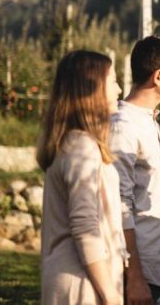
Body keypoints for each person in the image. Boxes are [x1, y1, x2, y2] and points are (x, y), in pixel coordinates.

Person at [38, 50, 126, 305]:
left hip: (83, 277)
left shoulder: (73, 143)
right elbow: (85, 224)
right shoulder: (81, 147)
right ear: (91, 89)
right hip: (83, 282)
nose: (119, 89)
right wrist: (110, 294)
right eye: (112, 81)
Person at [109, 35, 160, 305]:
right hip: (141, 276)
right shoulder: (124, 127)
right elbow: (120, 205)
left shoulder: (147, 121)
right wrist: (135, 278)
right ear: (158, 76)